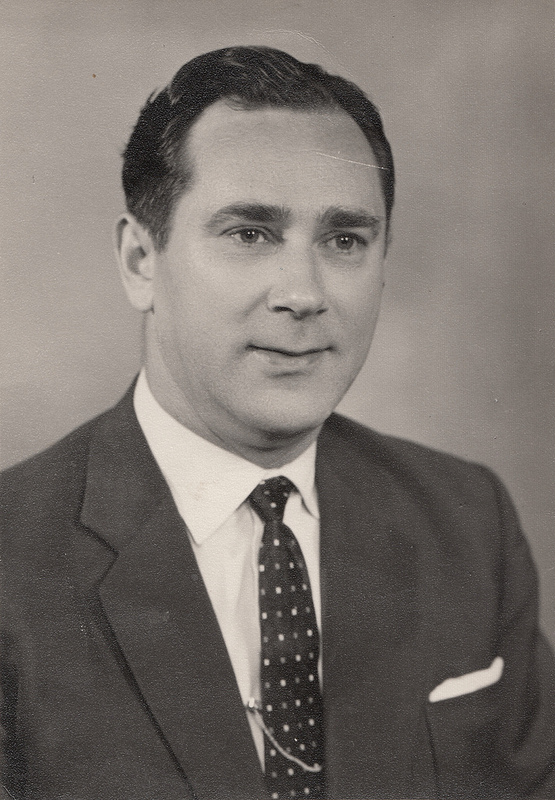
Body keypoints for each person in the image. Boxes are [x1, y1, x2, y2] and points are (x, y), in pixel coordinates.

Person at [1, 45, 553, 800]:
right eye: (250, 234)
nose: (303, 292)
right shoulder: (12, 556)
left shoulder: (465, 521)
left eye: (344, 241)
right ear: (140, 260)